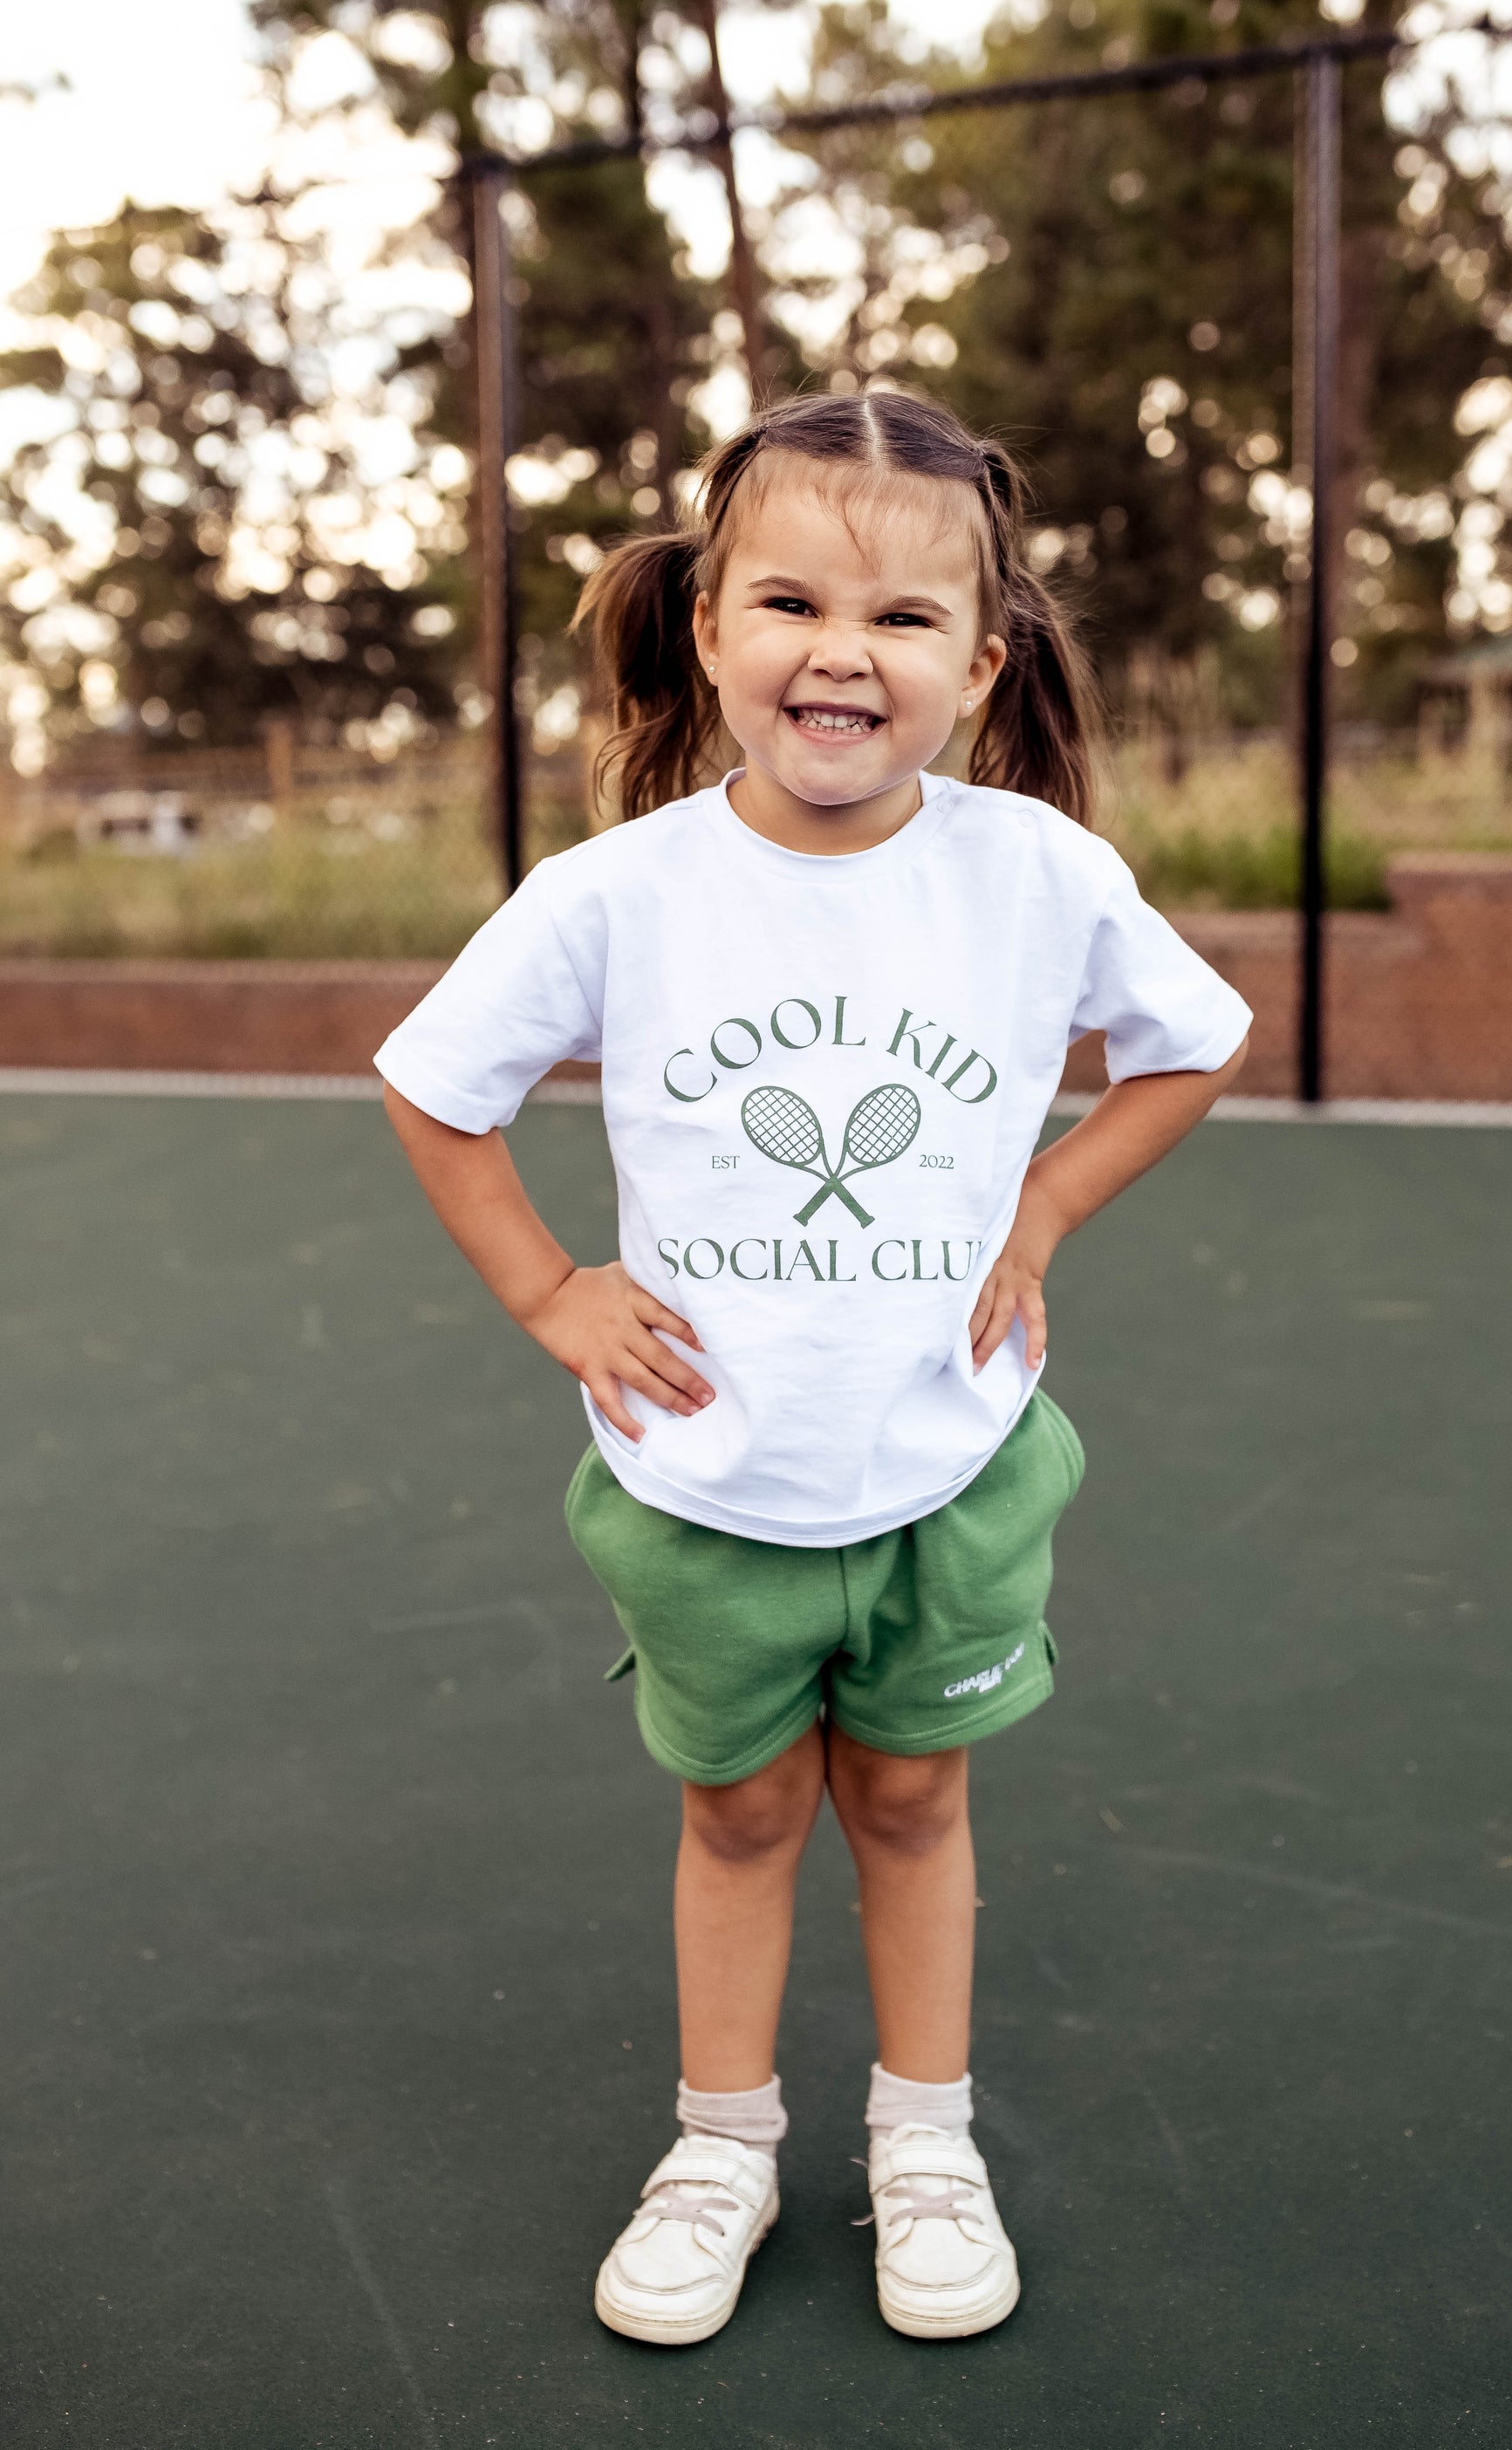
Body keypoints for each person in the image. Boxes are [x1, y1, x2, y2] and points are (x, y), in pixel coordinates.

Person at [375, 389, 1250, 2348]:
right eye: (787, 598)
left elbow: (1188, 1043)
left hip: (948, 1468)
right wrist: (548, 1292)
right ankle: (722, 2141)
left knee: (919, 1803)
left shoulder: (1033, 874)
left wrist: (1038, 1207)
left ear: (979, 658)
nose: (840, 650)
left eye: (904, 617)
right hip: (706, 1487)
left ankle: (922, 2139)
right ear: (708, 627)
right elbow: (439, 1090)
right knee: (744, 1817)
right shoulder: (618, 891)